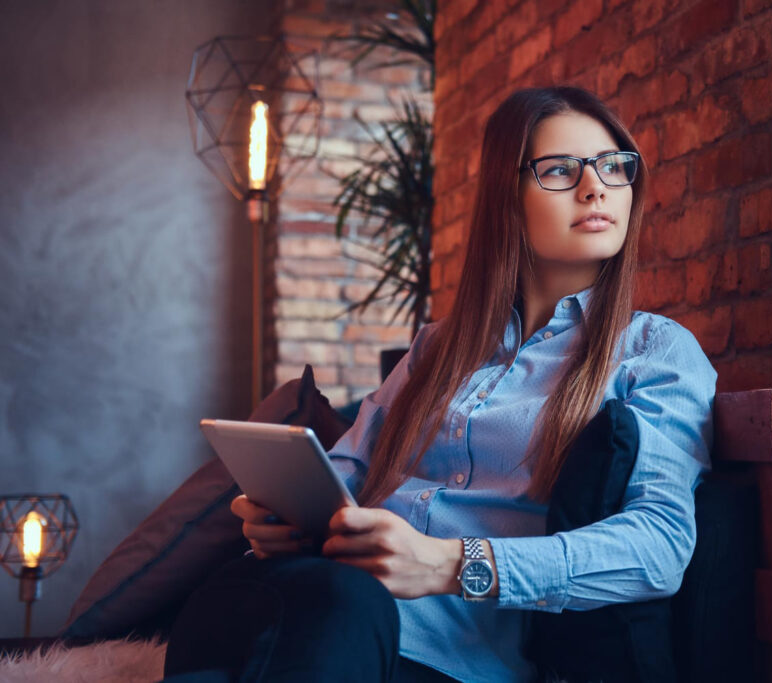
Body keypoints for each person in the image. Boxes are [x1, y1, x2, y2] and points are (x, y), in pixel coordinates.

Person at [162, 86, 716, 683]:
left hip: (436, 653)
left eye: (614, 166)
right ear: (508, 197)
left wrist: (449, 564)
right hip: (312, 600)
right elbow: (346, 472)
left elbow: (658, 548)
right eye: (561, 169)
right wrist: (283, 521)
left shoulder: (653, 351)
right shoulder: (434, 348)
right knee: (230, 602)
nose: (595, 187)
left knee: (339, 608)